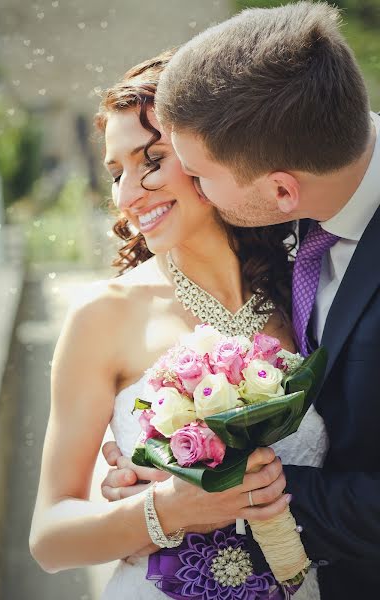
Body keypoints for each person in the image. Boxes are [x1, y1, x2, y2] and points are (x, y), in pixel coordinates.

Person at [102, 2, 379, 600]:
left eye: (197, 175)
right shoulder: (303, 189)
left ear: (282, 190)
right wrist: (148, 498)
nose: (180, 187)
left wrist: (215, 496)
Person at [29, 51, 327, 600]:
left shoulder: (308, 290)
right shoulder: (105, 315)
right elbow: (49, 538)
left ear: (210, 151)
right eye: (116, 172)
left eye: (152, 159)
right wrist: (165, 509)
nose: (127, 194)